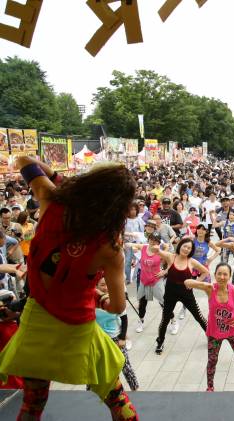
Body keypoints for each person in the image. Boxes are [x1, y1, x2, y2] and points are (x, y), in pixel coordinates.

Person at [0, 157, 138, 420]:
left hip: (37, 324)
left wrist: (68, 183)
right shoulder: (110, 246)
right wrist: (99, 299)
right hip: (79, 329)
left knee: (32, 405)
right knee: (117, 399)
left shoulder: (50, 199)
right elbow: (118, 306)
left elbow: (24, 160)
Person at [186, 263, 234, 392]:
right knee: (212, 361)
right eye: (219, 274)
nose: (222, 277)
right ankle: (210, 387)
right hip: (214, 333)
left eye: (225, 274)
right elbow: (187, 282)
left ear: (229, 276)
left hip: (233, 331)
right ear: (215, 275)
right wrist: (202, 283)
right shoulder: (209, 289)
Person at [153, 238, 209, 354]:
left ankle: (211, 338)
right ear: (180, 246)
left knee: (198, 316)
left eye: (189, 248)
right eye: (185, 246)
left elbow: (205, 272)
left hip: (186, 293)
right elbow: (157, 251)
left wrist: (195, 283)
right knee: (165, 320)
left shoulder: (192, 261)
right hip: (170, 293)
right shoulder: (171, 257)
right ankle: (160, 342)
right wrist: (156, 248)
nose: (186, 249)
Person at [95, 277, 139, 391]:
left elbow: (124, 319)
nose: (105, 288)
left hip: (116, 338)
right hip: (99, 341)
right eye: (102, 285)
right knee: (96, 369)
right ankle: (91, 393)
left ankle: (135, 390)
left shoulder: (116, 299)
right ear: (96, 287)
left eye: (108, 284)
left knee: (126, 366)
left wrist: (122, 338)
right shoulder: (92, 301)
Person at [124, 233, 168, 334]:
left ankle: (173, 321)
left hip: (156, 281)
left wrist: (165, 271)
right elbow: (130, 244)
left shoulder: (160, 251)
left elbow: (171, 260)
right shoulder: (144, 247)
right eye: (151, 239)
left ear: (158, 242)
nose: (152, 241)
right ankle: (141, 321)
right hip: (144, 281)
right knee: (142, 303)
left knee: (164, 303)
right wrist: (131, 246)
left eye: (155, 240)